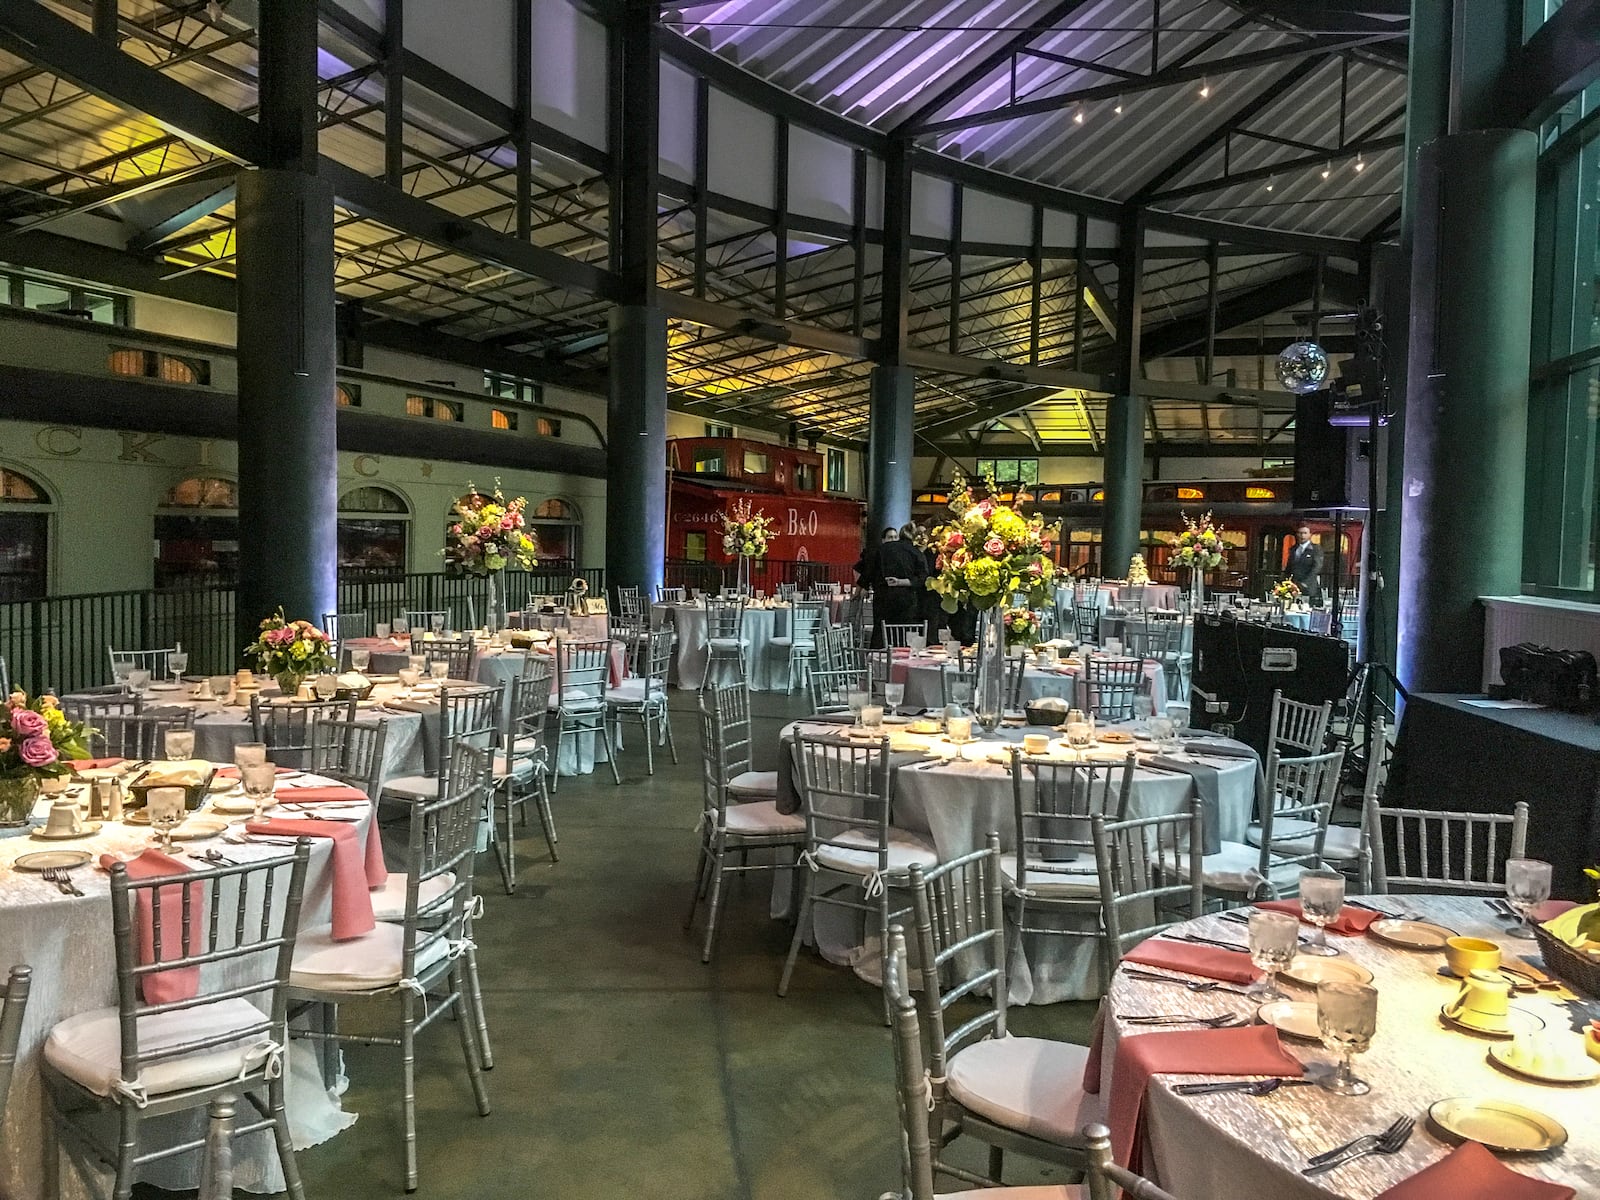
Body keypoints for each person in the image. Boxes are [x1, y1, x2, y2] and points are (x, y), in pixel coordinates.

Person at [868, 526, 927, 646]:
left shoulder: (881, 549)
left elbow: (868, 573)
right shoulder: (916, 552)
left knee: (881, 635)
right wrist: (903, 582)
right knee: (905, 636)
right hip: (907, 601)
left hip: (883, 599)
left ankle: (878, 661)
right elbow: (923, 577)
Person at [1287, 525, 1324, 604]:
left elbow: (1317, 567)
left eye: (1305, 533)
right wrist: (1287, 582)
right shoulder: (1293, 549)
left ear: (1310, 534)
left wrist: (1305, 583)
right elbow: (1289, 567)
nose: (1302, 536)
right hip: (1294, 585)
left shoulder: (1316, 549)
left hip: (1308, 586)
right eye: (1300, 533)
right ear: (1297, 534)